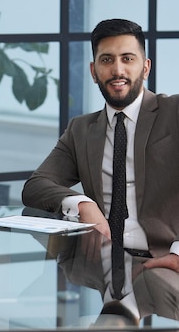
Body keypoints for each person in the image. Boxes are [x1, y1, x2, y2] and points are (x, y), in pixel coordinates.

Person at [22, 18, 179, 316]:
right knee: (24, 312)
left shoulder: (174, 113)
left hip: (164, 261)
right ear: (94, 72)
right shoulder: (81, 130)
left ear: (145, 67)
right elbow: (37, 185)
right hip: (98, 263)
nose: (117, 70)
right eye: (107, 60)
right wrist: (82, 203)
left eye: (127, 59)